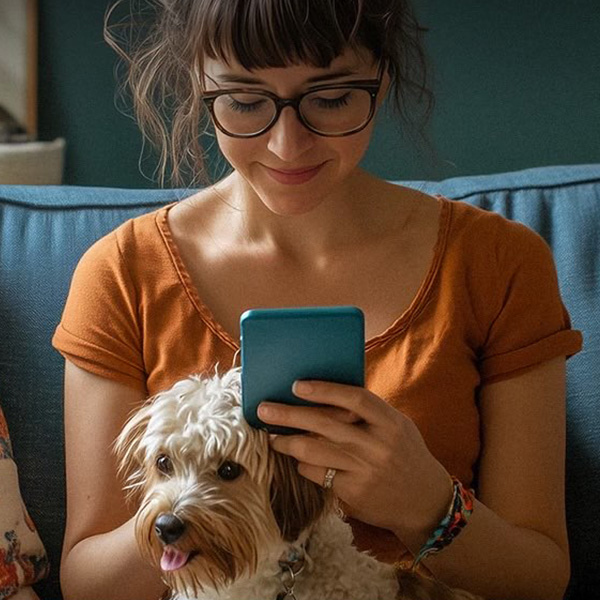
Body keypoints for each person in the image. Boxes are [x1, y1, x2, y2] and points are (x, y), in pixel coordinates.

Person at [52, 1, 583, 599]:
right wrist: (206, 510)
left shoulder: (499, 263)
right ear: (199, 85)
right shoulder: (121, 273)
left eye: (330, 99)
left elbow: (540, 580)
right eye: (245, 101)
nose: (286, 145)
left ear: (380, 81)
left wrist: (425, 503)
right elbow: (88, 583)